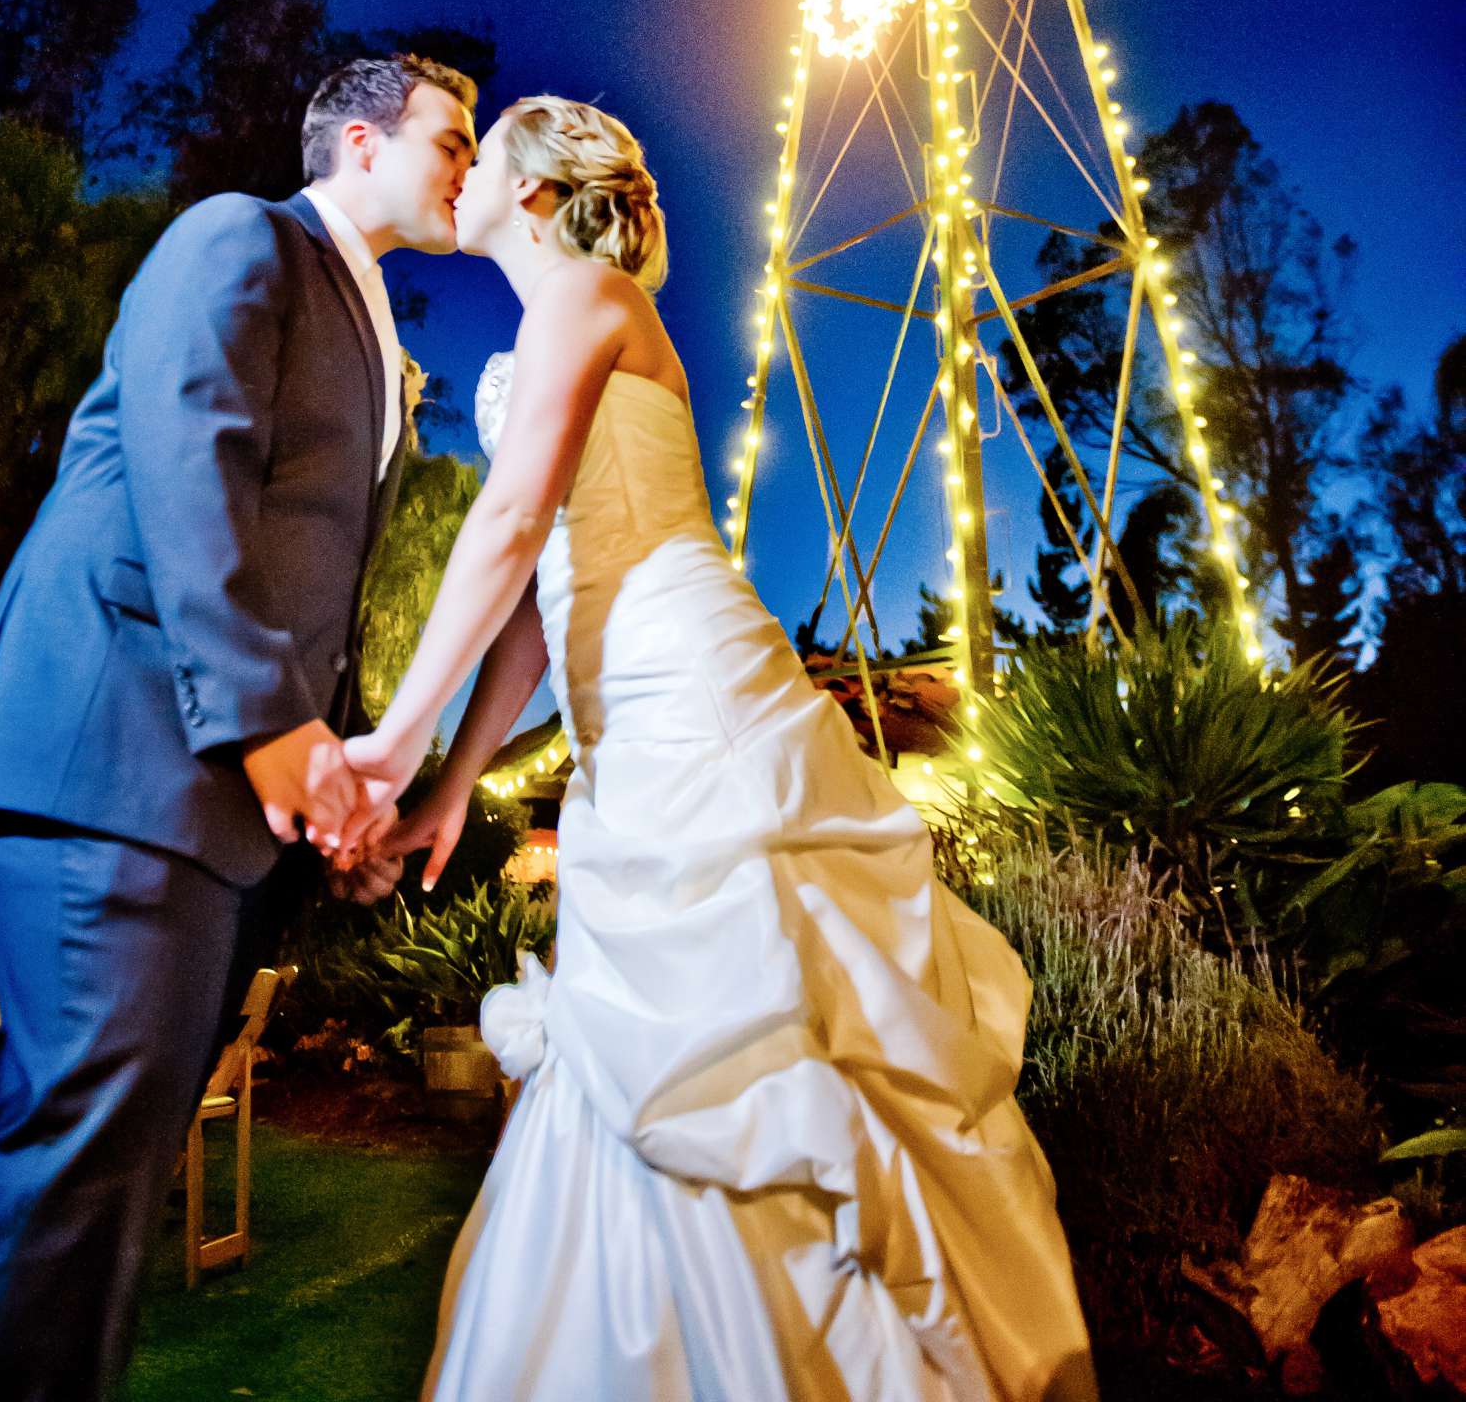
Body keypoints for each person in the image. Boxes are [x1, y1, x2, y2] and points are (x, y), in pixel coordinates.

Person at [340, 95, 1099, 1402]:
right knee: (642, 1050)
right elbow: (534, 600)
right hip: (619, 732)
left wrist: (389, 736)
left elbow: (515, 518)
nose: (456, 173)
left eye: (481, 150)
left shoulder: (587, 296)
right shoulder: (547, 330)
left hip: (690, 693)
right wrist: (450, 783)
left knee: (744, 1026)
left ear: (531, 195)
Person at [0, 53, 477, 1402]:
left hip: (209, 809)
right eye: (449, 139)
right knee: (71, 1172)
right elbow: (188, 461)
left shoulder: (368, 332)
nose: (470, 164)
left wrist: (330, 788)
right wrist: (262, 728)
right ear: (359, 142)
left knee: (106, 1196)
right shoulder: (241, 238)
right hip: (116, 762)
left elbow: (309, 596)